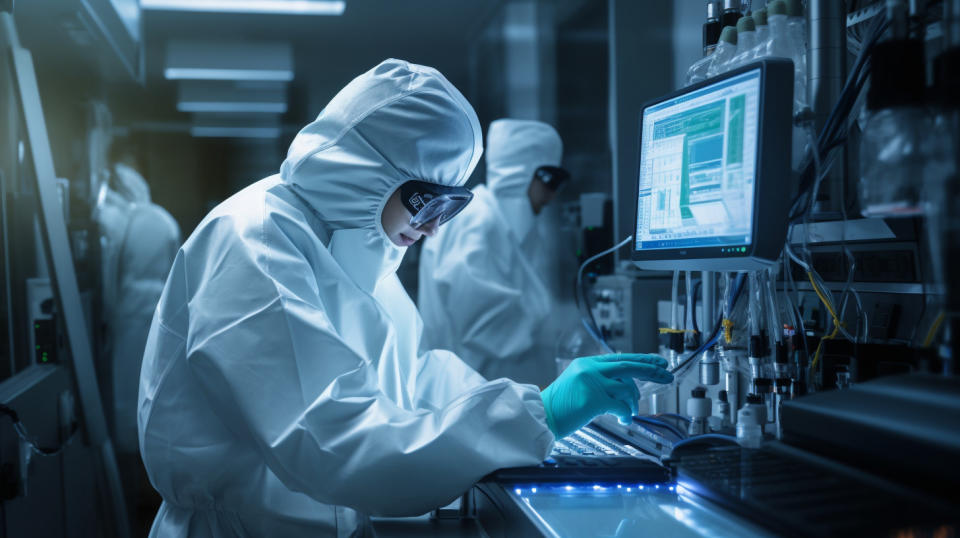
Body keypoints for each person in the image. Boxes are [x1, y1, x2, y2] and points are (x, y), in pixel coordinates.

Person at [138, 59, 673, 537]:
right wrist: (539, 415)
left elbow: (415, 377)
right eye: (429, 203)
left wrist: (529, 407)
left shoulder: (356, 250)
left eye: (450, 207)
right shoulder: (254, 239)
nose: (434, 230)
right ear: (368, 170)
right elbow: (333, 442)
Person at [418, 119, 571, 387]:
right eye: (551, 181)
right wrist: (561, 327)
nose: (553, 195)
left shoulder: (503, 226)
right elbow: (488, 327)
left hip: (490, 394)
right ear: (522, 172)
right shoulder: (477, 222)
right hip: (468, 396)